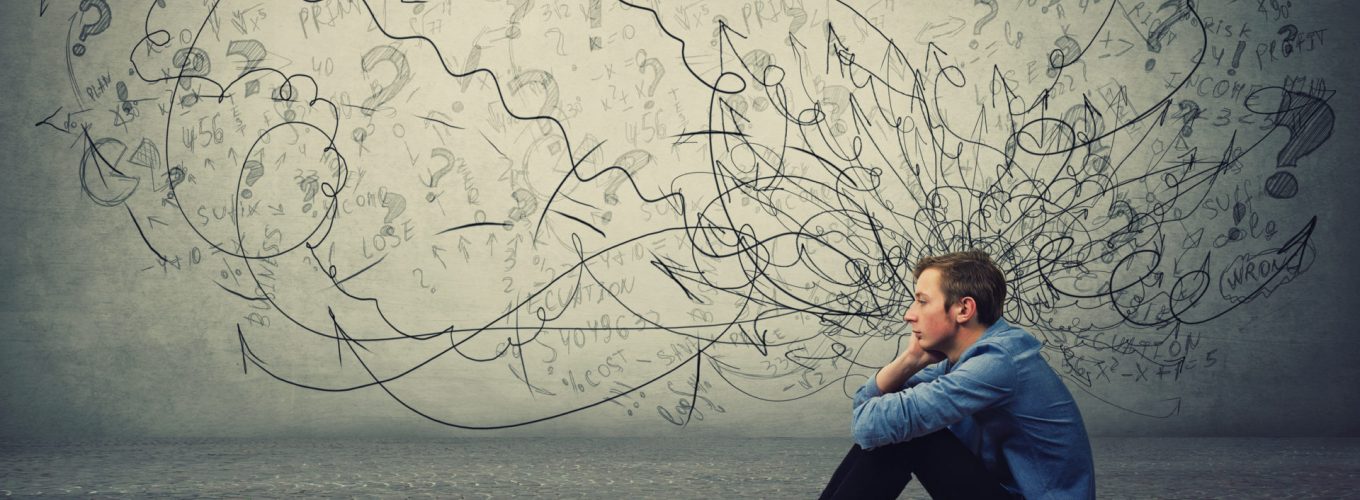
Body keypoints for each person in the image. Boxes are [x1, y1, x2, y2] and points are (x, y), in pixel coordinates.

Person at [819, 250, 1095, 499]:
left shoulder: (997, 363)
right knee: (897, 428)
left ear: (964, 309)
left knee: (907, 433)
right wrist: (910, 360)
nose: (909, 315)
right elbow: (867, 412)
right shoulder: (966, 361)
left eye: (922, 302)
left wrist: (887, 407)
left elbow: (869, 424)